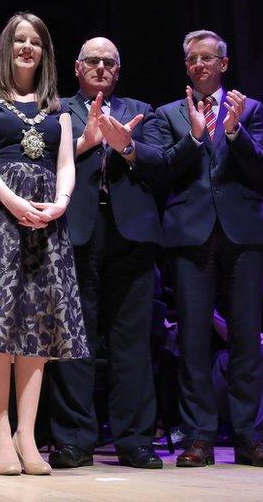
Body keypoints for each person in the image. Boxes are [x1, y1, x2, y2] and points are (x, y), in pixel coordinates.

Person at [0, 13, 89, 476]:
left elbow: (67, 163)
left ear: (45, 51)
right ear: (6, 46)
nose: (27, 47)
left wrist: (60, 203)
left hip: (45, 220)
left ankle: (27, 435)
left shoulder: (59, 107)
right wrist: (12, 200)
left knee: (35, 327)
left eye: (35, 41)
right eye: (19, 39)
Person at [154, 30, 263, 468]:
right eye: (192, 59)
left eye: (207, 58)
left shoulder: (251, 110)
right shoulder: (169, 113)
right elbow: (164, 171)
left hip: (243, 232)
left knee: (247, 337)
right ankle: (199, 437)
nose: (199, 65)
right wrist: (193, 137)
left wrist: (234, 132)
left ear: (223, 64)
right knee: (193, 339)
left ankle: (249, 438)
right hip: (190, 233)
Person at [47, 37, 165, 470]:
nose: (101, 67)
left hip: (131, 237)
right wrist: (86, 140)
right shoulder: (58, 109)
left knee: (131, 343)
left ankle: (134, 440)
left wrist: (127, 146)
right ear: (78, 68)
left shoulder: (142, 110)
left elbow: (162, 162)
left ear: (118, 71)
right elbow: (41, 161)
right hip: (76, 231)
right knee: (74, 340)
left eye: (109, 63)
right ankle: (74, 440)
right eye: (92, 61)